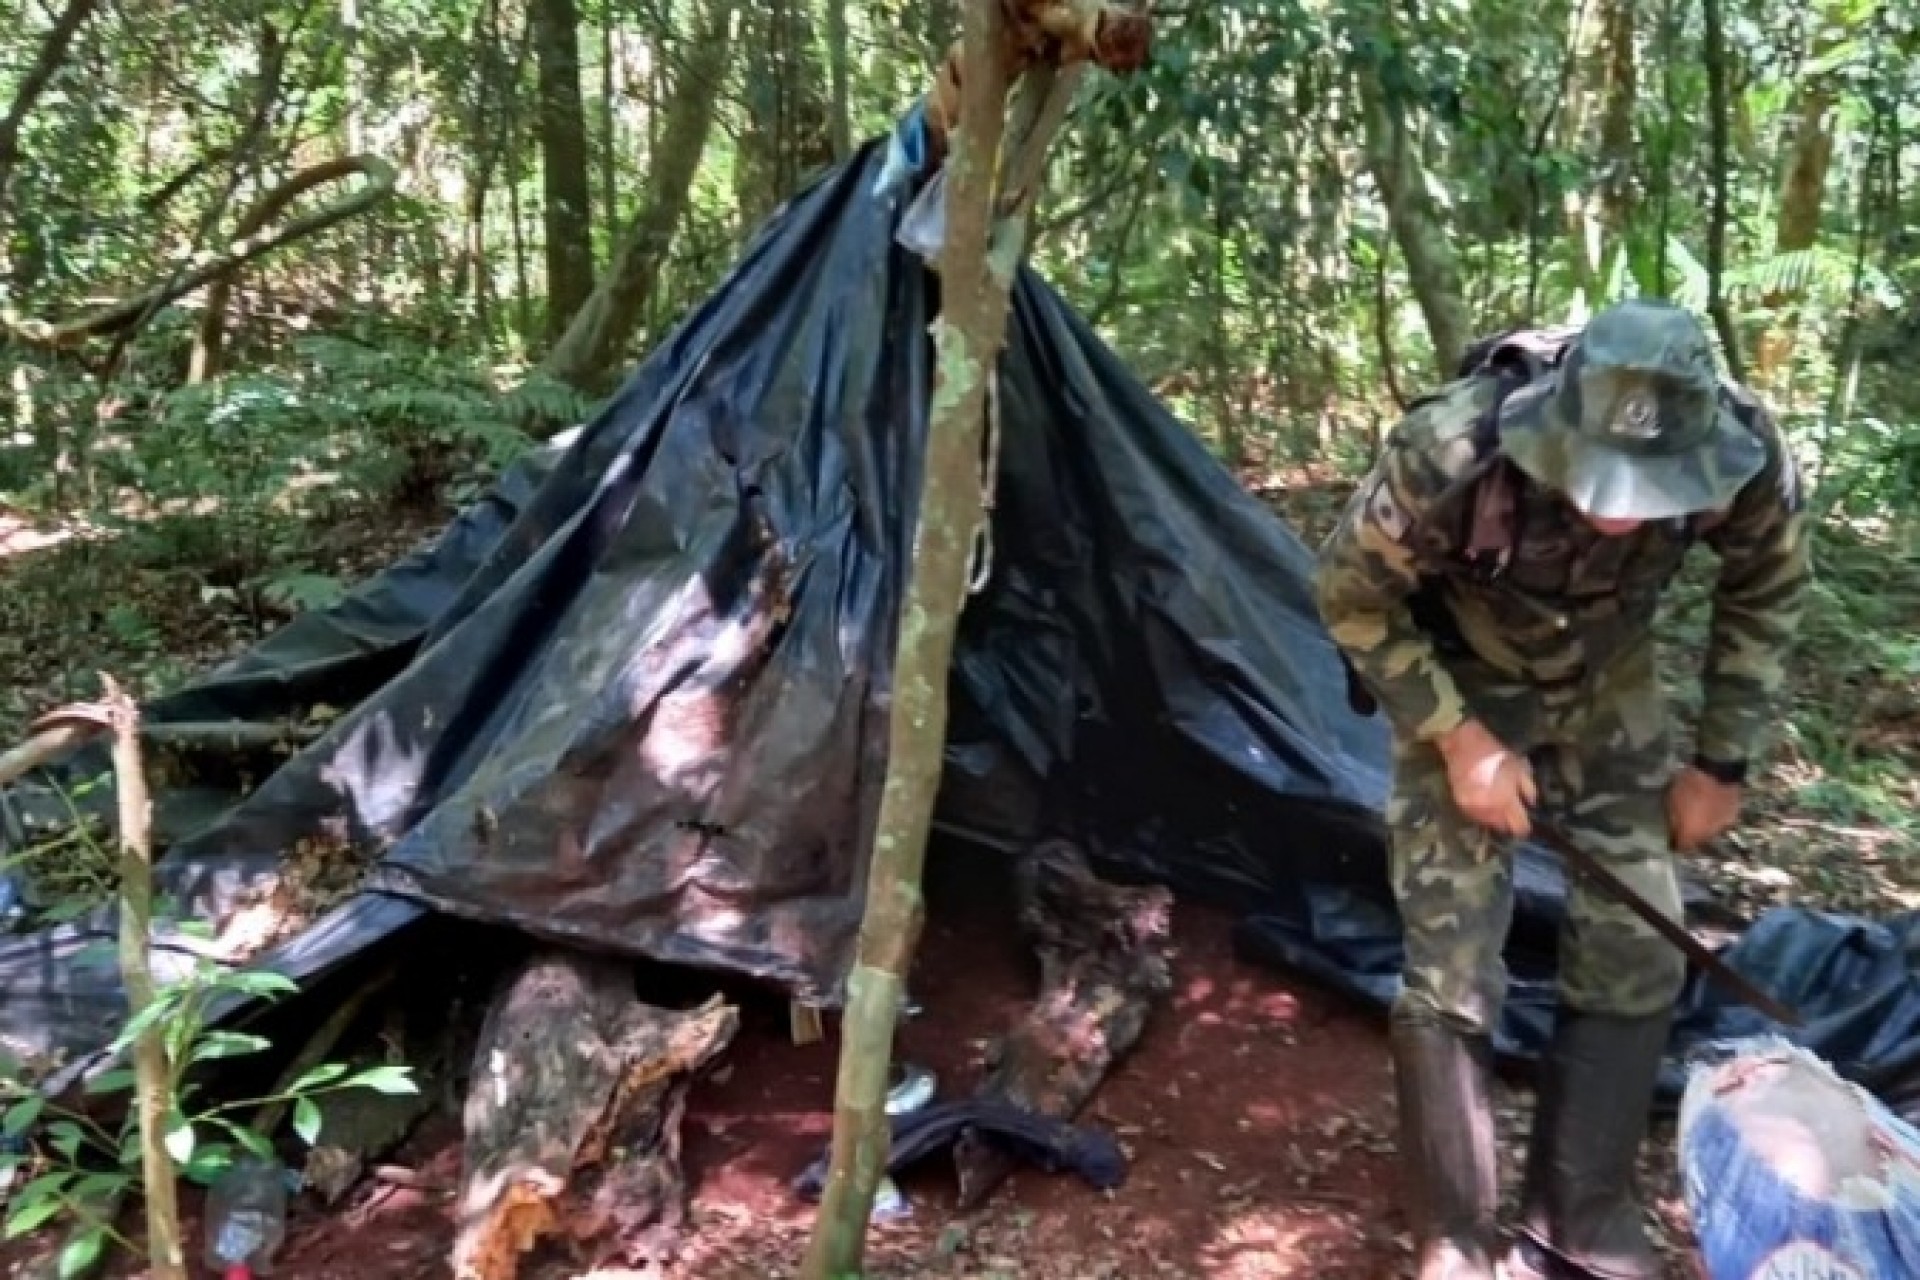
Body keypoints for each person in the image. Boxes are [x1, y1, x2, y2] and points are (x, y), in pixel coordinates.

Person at [1312, 298, 1811, 1280]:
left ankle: (1581, 1210)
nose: (1619, 511)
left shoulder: (1746, 453)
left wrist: (1721, 761)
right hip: (1460, 670)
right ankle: (1454, 1232)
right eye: (1596, 477)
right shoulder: (1453, 448)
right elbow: (1348, 592)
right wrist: (1459, 740)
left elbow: (1765, 589)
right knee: (1451, 956)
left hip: (1608, 680)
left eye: (1648, 486)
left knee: (1639, 936)